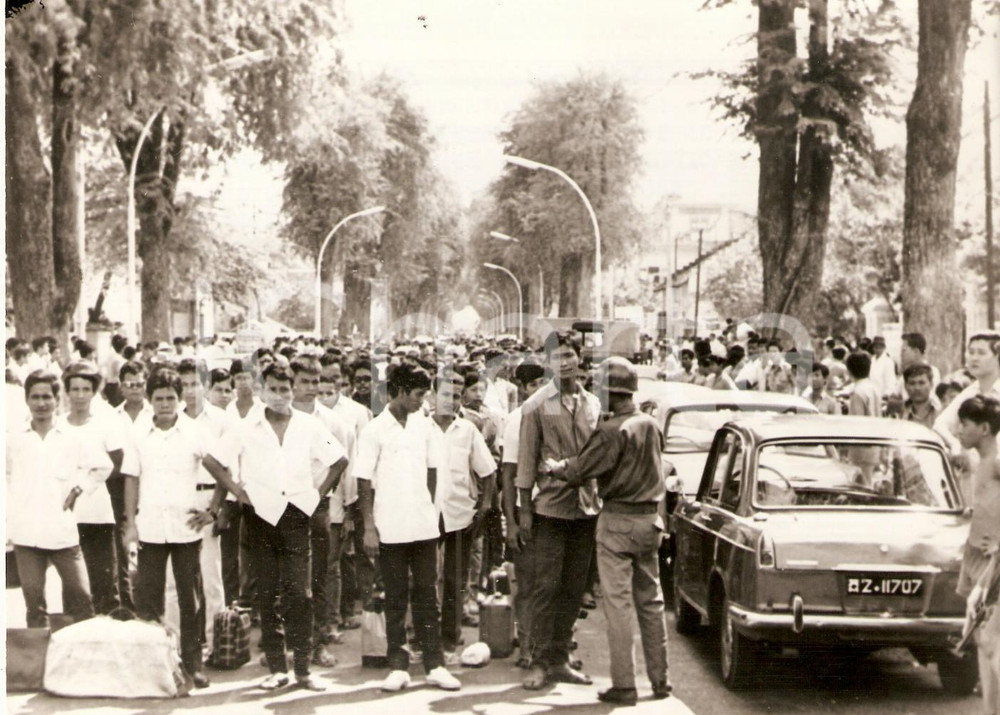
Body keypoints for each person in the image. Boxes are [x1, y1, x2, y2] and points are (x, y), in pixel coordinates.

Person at [204, 362, 348, 691]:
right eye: (273, 389)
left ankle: (302, 669)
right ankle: (277, 668)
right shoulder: (247, 426)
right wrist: (238, 490)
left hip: (297, 515)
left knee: (300, 593)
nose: (280, 396)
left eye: (285, 390)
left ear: (293, 390)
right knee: (267, 594)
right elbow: (213, 460)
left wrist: (317, 495)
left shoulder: (309, 426)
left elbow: (339, 460)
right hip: (260, 518)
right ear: (261, 390)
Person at [546, 357, 672, 705]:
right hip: (651, 520)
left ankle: (625, 684)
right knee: (652, 602)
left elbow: (580, 471)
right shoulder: (649, 424)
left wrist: (556, 468)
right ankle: (661, 681)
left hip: (618, 521)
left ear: (609, 393)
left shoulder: (611, 430)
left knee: (618, 607)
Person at [355, 363, 461, 692]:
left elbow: (433, 474)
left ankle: (435, 665)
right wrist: (369, 527)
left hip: (423, 526)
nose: (422, 401)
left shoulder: (424, 427)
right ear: (400, 391)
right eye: (417, 394)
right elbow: (363, 481)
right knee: (395, 597)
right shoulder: (374, 429)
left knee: (428, 596)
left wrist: (430, 514)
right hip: (389, 527)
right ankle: (398, 666)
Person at [516, 331, 601, 690]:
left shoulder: (592, 404)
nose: (564, 362)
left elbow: (597, 455)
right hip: (549, 509)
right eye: (557, 357)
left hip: (586, 510)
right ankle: (537, 661)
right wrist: (523, 512)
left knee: (573, 588)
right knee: (545, 589)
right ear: (548, 362)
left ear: (579, 359)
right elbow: (525, 462)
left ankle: (560, 658)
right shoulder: (538, 405)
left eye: (569, 355)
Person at [121, 368, 213, 688]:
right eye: (158, 398)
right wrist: (130, 523)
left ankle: (193, 665)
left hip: (185, 528)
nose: (164, 404)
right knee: (148, 599)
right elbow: (131, 478)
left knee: (190, 600)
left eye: (170, 398)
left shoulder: (195, 431)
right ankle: (152, 667)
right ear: (150, 400)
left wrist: (212, 511)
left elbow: (222, 469)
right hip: (149, 527)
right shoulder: (137, 433)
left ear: (180, 398)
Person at [8, 371, 110, 627]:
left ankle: (82, 661)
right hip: (26, 533)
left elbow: (102, 466)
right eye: (35, 397)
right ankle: (41, 665)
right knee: (34, 605)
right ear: (27, 400)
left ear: (56, 400)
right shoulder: (14, 440)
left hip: (62, 532)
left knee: (82, 599)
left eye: (47, 397)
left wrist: (78, 489)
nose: (41, 403)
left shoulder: (71, 438)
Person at [289, 355, 352, 667]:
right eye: (305, 382)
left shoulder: (332, 422)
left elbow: (341, 463)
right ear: (293, 384)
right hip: (283, 504)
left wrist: (320, 494)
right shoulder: (279, 416)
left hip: (318, 506)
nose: (311, 388)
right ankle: (292, 643)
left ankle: (319, 643)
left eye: (316, 382)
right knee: (287, 576)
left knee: (321, 575)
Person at [60, 361, 136, 616]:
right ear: (67, 391)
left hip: (98, 511)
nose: (80, 395)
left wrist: (88, 484)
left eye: (85, 389)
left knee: (105, 581)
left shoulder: (105, 422)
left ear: (93, 392)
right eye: (75, 389)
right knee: (73, 585)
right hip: (66, 514)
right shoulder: (59, 424)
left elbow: (118, 462)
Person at [431, 374, 497, 660]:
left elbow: (488, 471)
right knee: (425, 577)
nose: (451, 401)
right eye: (446, 395)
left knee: (455, 578)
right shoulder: (419, 428)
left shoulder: (468, 430)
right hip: (426, 514)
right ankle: (425, 634)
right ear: (432, 395)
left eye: (457, 396)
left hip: (460, 513)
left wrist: (483, 507)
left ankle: (450, 635)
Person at [499, 361, 550, 667]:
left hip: (558, 510)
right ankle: (528, 649)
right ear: (522, 389)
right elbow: (508, 474)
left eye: (545, 384)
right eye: (534, 385)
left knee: (553, 585)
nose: (541, 391)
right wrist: (511, 522)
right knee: (528, 585)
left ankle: (553, 649)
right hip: (527, 511)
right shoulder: (517, 419)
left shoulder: (558, 414)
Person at [954, 394, 1000, 714]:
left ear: (984, 428)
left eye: (965, 424)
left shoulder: (997, 462)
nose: (959, 430)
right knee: (981, 643)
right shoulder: (978, 464)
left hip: (992, 561)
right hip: (974, 553)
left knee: (992, 644)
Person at [935, 333, 1000, 455]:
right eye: (971, 352)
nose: (974, 358)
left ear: (997, 357)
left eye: (981, 353)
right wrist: (956, 445)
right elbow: (940, 425)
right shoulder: (971, 391)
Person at [899, 363, 938, 429]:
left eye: (921, 383)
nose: (917, 388)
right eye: (912, 383)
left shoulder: (940, 412)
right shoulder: (899, 412)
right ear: (905, 386)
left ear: (931, 384)